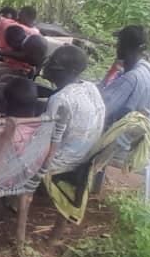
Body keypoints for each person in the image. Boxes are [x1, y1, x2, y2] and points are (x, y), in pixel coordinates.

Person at [41, 45, 105, 174]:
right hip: (83, 157)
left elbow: (45, 140)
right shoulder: (91, 87)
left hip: (59, 162)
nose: (47, 65)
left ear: (72, 71)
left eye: (54, 64)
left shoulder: (61, 99)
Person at [101, 25, 150, 128]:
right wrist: (112, 71)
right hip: (145, 130)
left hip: (122, 137)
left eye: (118, 43)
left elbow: (100, 109)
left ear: (124, 48)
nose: (116, 47)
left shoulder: (130, 79)